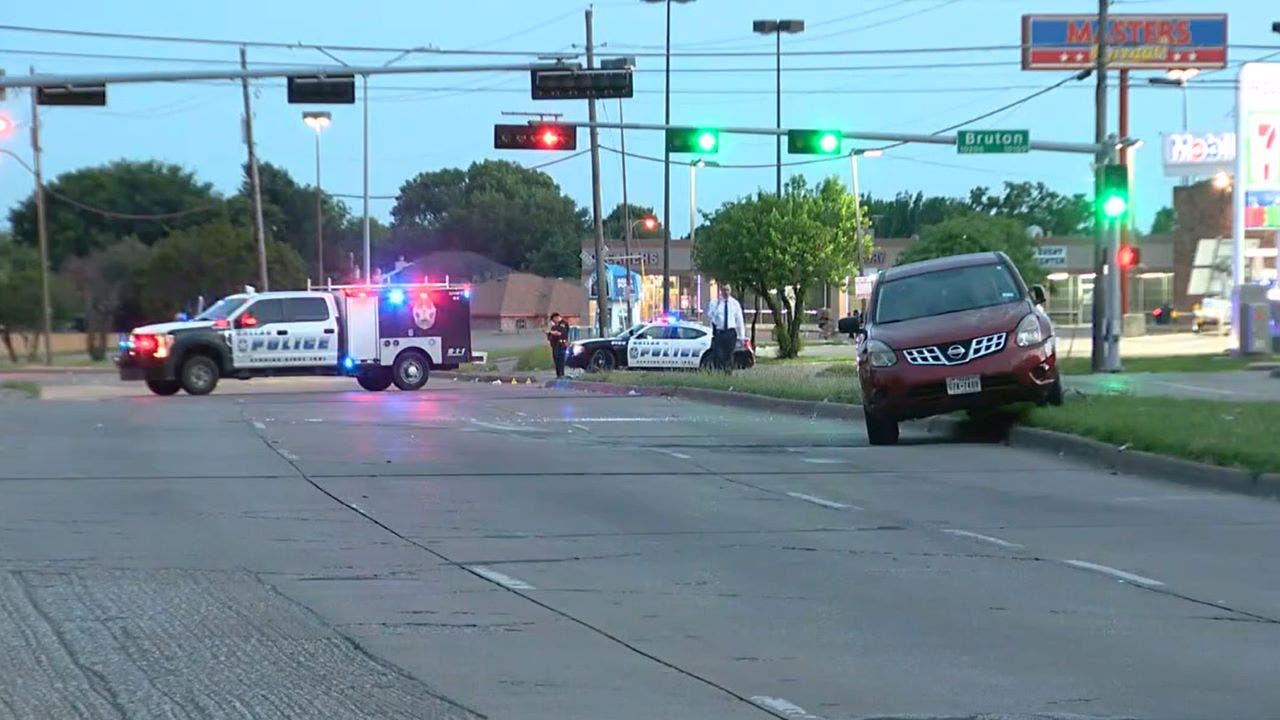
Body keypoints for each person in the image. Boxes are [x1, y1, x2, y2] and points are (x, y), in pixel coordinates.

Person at [705, 282, 745, 373]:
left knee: (729, 354)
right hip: (719, 333)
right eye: (724, 290)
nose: (725, 292)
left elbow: (739, 320)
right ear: (720, 291)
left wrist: (742, 336)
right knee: (719, 355)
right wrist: (718, 306)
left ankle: (728, 373)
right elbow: (711, 316)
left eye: (727, 290)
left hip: (730, 333)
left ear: (730, 291)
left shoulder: (734, 303)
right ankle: (720, 372)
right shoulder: (714, 303)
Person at [546, 312, 570, 379]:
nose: (553, 322)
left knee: (560, 360)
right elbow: (550, 336)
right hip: (555, 345)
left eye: (553, 320)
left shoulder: (563, 324)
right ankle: (558, 375)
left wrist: (550, 332)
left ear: (556, 318)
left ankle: (561, 374)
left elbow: (559, 333)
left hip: (561, 344)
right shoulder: (554, 326)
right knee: (556, 360)